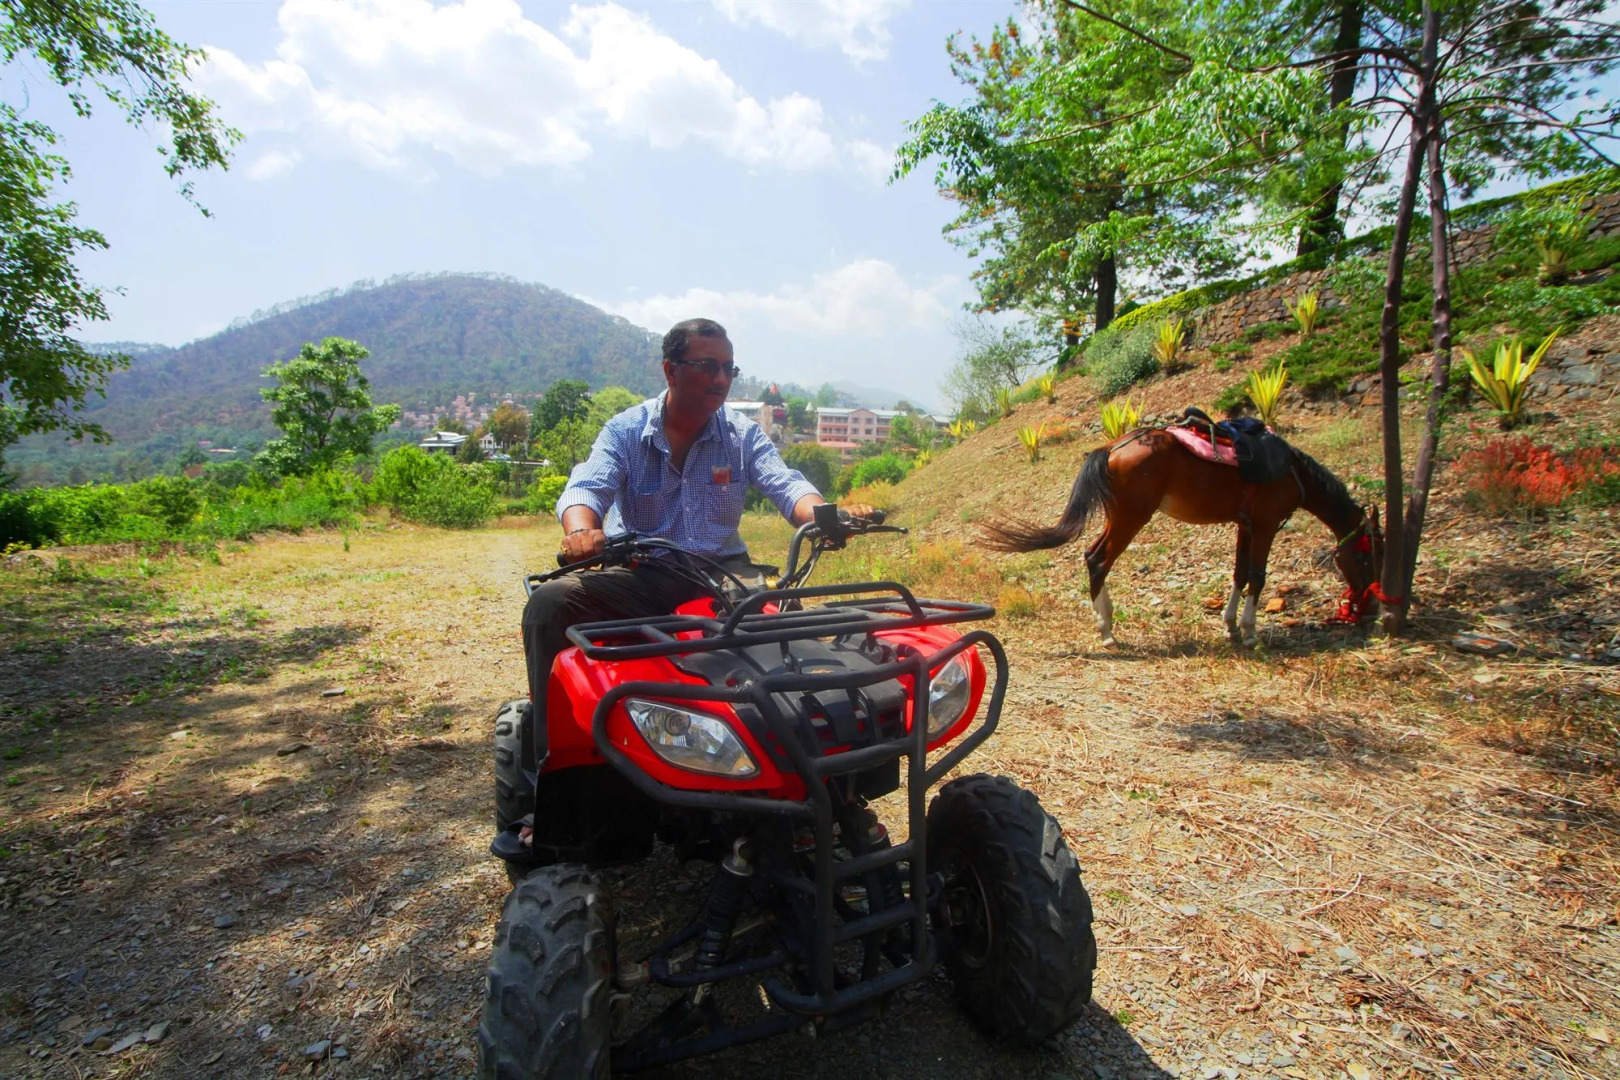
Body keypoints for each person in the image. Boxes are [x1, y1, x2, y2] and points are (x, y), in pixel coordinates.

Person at [522, 317, 871, 708]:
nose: (720, 379)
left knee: (787, 620)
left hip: (724, 573)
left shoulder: (742, 434)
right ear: (671, 370)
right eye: (708, 366)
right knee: (550, 604)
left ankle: (802, 730)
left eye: (728, 369)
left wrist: (824, 517)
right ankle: (553, 743)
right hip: (644, 574)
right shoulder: (625, 430)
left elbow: (785, 483)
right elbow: (587, 486)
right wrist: (581, 531)